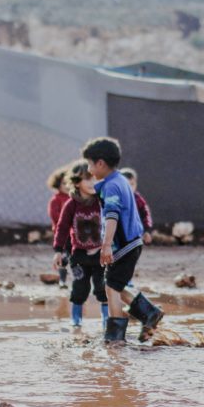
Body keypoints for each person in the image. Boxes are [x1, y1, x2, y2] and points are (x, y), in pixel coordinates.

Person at [81, 137, 163, 344]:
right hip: (131, 243)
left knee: (111, 287)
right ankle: (149, 312)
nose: (90, 170)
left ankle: (115, 337)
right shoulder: (118, 181)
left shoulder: (112, 186)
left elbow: (112, 215)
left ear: (100, 163)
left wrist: (106, 245)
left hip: (124, 245)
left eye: (90, 164)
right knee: (116, 283)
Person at [53, 162, 108, 328]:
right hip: (79, 256)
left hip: (101, 254)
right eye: (87, 180)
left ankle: (107, 320)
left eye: (95, 179)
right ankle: (76, 320)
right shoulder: (71, 205)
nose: (93, 184)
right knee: (80, 288)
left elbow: (114, 221)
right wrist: (58, 250)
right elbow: (62, 227)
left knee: (102, 287)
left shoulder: (102, 201)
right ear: (77, 182)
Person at [47, 165, 73, 288]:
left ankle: (78, 279)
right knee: (63, 257)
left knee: (75, 256)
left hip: (75, 234)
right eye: (64, 183)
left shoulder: (74, 199)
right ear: (58, 184)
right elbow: (55, 218)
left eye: (69, 183)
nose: (66, 186)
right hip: (62, 234)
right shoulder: (56, 200)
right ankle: (62, 280)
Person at [120, 168, 154, 245]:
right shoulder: (114, 199)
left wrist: (147, 230)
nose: (129, 188)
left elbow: (146, 214)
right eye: (125, 185)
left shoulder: (138, 199)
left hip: (134, 233)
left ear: (136, 184)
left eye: (131, 184)